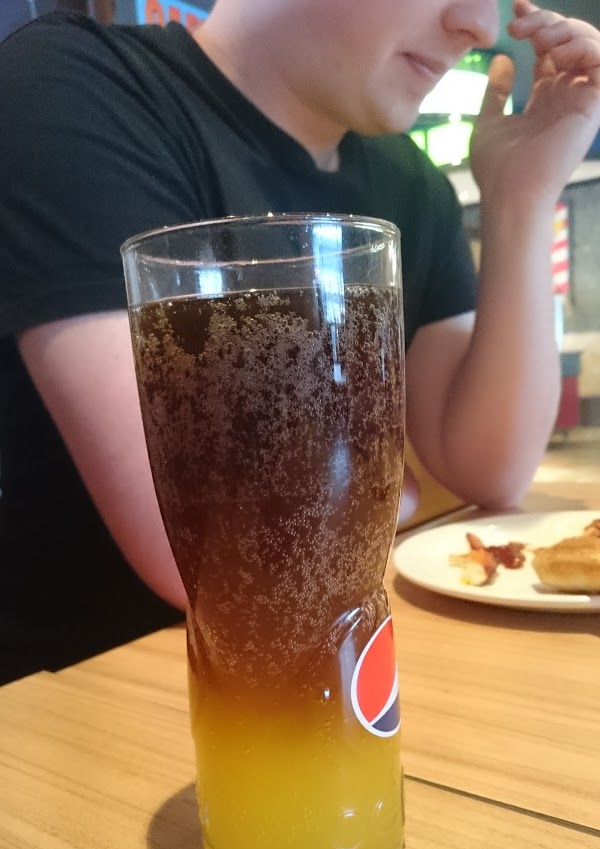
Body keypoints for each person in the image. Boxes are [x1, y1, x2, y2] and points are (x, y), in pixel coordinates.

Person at [1, 1, 599, 685]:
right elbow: (222, 559)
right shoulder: (80, 88)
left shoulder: (408, 182)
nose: (480, 27)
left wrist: (522, 196)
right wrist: (377, 489)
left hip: (331, 667)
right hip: (81, 692)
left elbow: (489, 470)